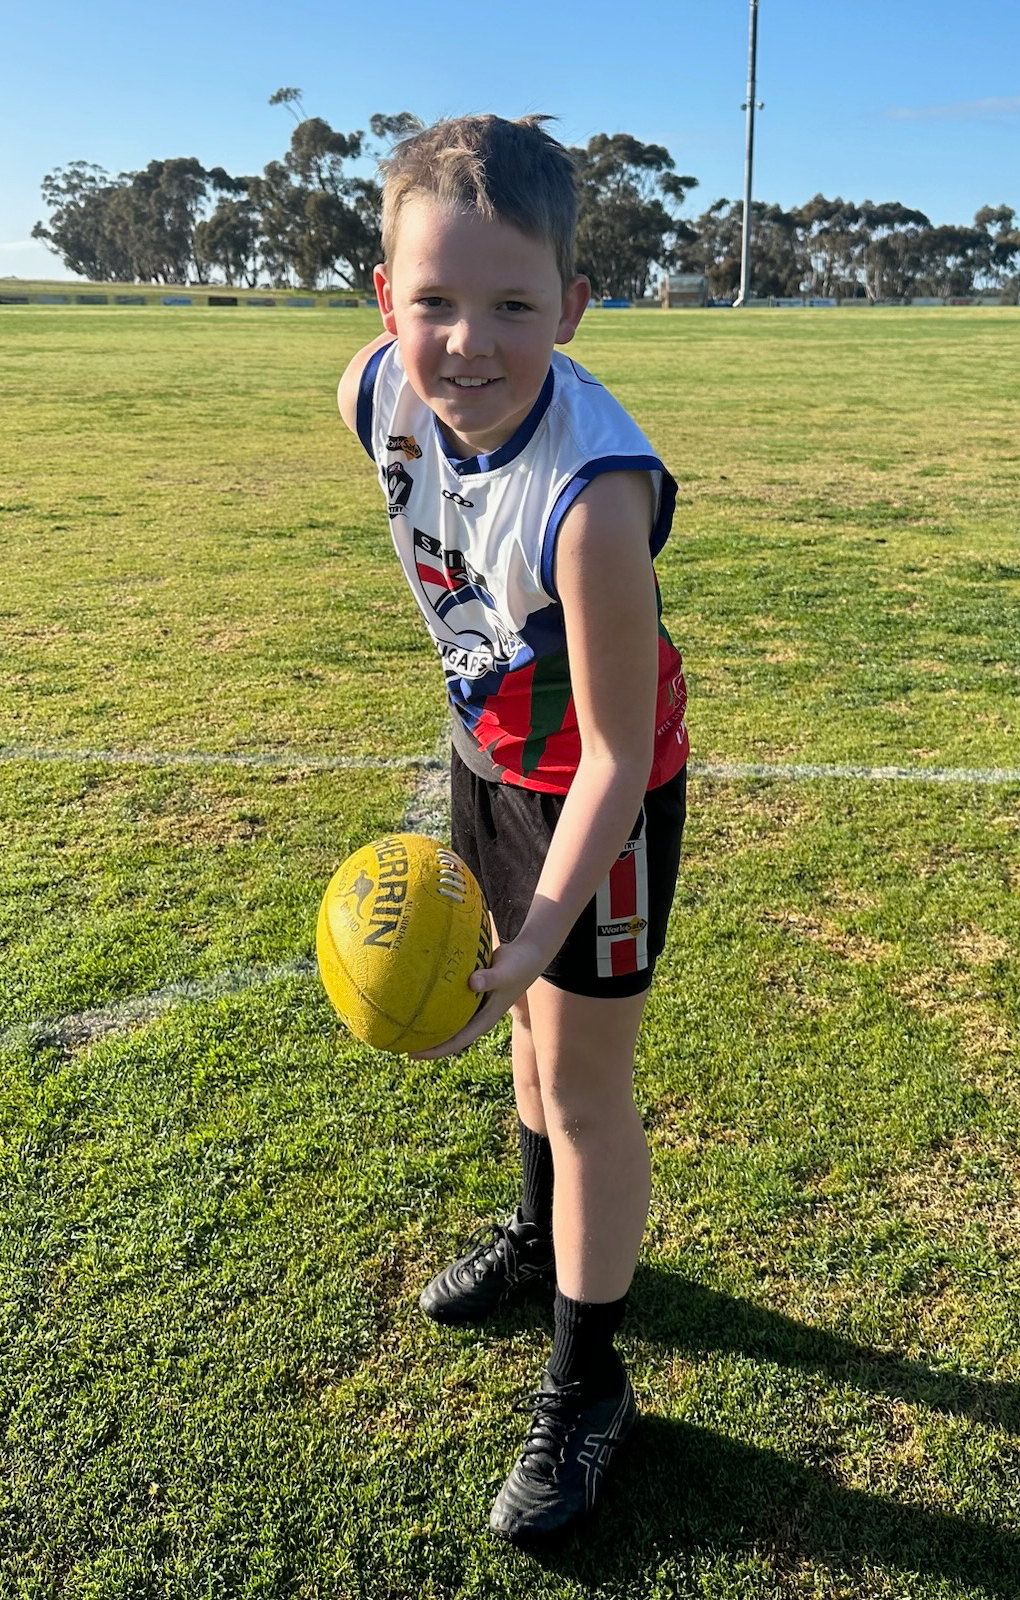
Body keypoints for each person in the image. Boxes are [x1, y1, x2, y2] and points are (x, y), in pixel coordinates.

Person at [337, 113, 688, 1543]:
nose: (468, 343)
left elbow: (617, 753)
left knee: (585, 1086)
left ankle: (589, 1384)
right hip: (490, 760)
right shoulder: (374, 389)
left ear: (574, 307)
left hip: (601, 794)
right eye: (434, 300)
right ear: (384, 299)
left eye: (513, 306)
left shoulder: (596, 501)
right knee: (527, 1052)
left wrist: (544, 926)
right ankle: (540, 1240)